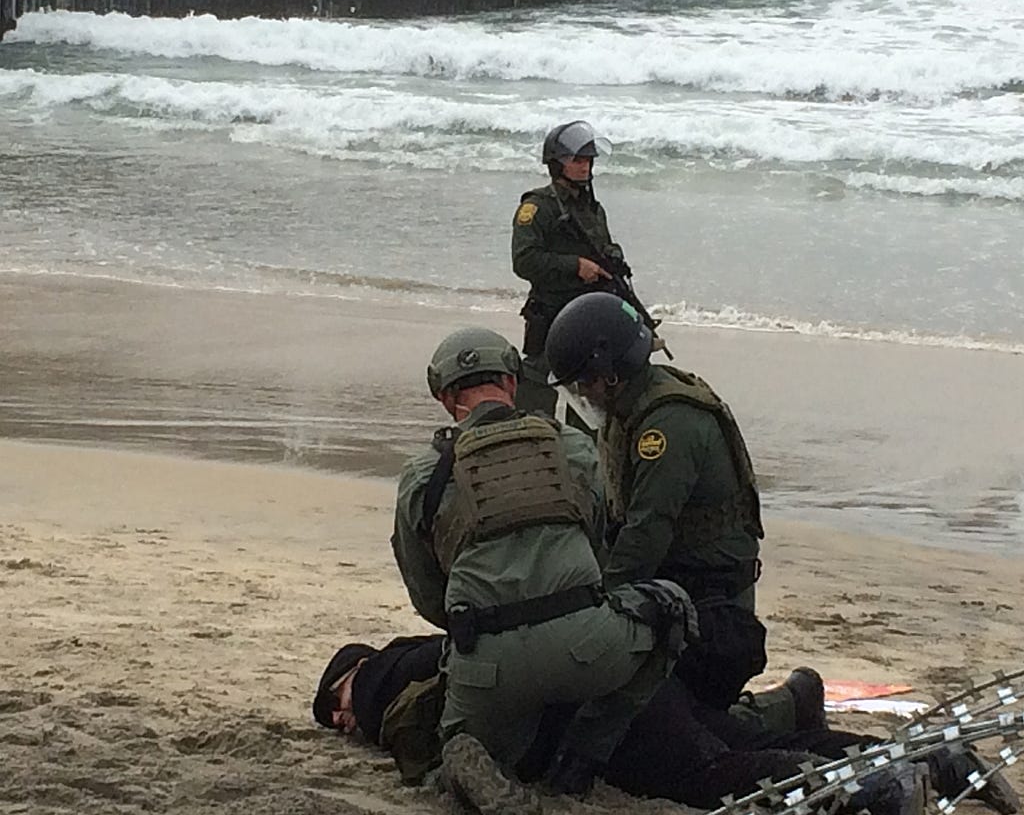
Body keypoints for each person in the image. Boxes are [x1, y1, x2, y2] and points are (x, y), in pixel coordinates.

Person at [390, 326, 691, 796]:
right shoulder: (571, 445)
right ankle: (582, 759)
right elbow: (597, 549)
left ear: (447, 397)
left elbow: (428, 594)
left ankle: (465, 762)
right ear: (512, 382)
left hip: (486, 663)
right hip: (586, 644)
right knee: (673, 606)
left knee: (465, 747)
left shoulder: (423, 474)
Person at [312, 634, 1020, 815]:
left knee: (707, 776)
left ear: (352, 677)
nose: (343, 723)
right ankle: (931, 757)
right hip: (622, 667)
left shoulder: (384, 693)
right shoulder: (427, 648)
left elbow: (447, 761)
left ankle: (876, 786)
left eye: (334, 707)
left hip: (595, 722)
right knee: (740, 737)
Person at [544, 291, 769, 718]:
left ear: (609, 373)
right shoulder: (632, 408)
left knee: (665, 719)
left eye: (583, 383)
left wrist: (599, 610)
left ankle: (789, 704)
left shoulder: (667, 425)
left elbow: (648, 530)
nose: (582, 395)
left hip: (710, 595)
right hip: (677, 575)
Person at [510, 120, 626, 420]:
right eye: (577, 160)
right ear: (557, 164)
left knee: (589, 409)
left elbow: (604, 249)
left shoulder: (592, 209)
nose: (585, 166)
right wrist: (575, 266)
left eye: (588, 160)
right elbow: (524, 260)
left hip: (587, 318)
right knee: (535, 404)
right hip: (550, 314)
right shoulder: (538, 208)